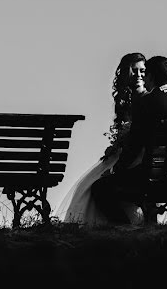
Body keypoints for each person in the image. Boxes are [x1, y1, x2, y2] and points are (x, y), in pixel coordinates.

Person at [90, 55, 167, 224]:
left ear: (151, 76)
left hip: (154, 178)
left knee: (100, 188)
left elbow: (134, 146)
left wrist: (116, 169)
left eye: (146, 73)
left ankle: (125, 229)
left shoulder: (146, 102)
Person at [53, 52, 147, 225]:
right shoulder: (124, 101)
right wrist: (116, 145)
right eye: (134, 71)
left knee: (96, 184)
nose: (139, 75)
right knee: (87, 184)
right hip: (124, 151)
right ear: (125, 73)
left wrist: (122, 143)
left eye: (143, 71)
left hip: (138, 155)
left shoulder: (146, 99)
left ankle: (121, 225)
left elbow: (138, 134)